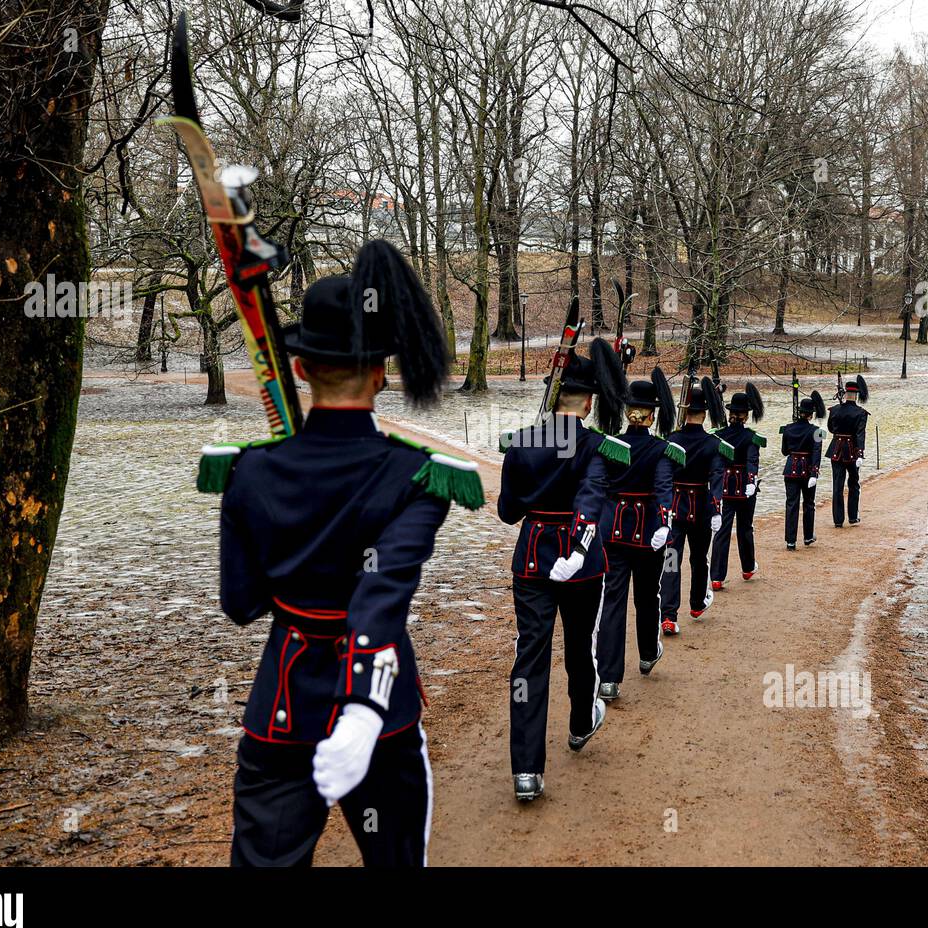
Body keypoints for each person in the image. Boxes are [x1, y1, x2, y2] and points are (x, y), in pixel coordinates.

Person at [218, 240, 483, 867]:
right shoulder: (415, 475)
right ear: (381, 372)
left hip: (283, 706)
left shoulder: (250, 473)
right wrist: (363, 709)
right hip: (381, 712)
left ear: (302, 366)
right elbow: (380, 597)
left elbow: (242, 603)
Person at [497, 338, 628, 802]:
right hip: (582, 564)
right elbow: (592, 499)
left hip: (532, 559)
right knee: (579, 647)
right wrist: (577, 546)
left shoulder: (521, 443)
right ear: (590, 403)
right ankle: (579, 722)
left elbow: (507, 512)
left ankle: (526, 770)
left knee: (529, 658)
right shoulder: (597, 447)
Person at [594, 367, 681, 702]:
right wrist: (663, 524)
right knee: (647, 596)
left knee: (613, 603)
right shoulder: (660, 450)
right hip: (647, 534)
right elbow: (663, 488)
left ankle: (609, 679)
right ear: (652, 414)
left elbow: (599, 488)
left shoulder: (609, 446)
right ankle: (647, 654)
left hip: (613, 532)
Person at [659, 377, 726, 633]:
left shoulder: (671, 439)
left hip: (674, 506)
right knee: (699, 558)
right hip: (701, 507)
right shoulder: (713, 444)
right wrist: (717, 508)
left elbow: (663, 476)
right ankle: (697, 603)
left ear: (684, 411)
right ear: (705, 414)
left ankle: (668, 614)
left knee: (672, 560)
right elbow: (716, 478)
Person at [710, 382, 765, 588]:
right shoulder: (751, 437)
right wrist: (751, 481)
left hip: (723, 487)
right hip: (744, 489)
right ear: (746, 415)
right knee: (745, 529)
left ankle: (716, 577)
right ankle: (748, 567)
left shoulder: (719, 435)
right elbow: (752, 460)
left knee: (722, 532)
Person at [781, 390, 826, 550]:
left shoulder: (787, 429)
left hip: (790, 468)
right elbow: (817, 453)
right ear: (811, 415)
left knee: (791, 504)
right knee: (809, 504)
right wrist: (814, 472)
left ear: (800, 412)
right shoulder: (817, 431)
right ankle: (807, 537)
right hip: (807, 471)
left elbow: (784, 451)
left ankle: (790, 541)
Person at [826, 375, 869, 529]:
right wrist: (860, 454)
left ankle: (838, 520)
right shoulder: (861, 413)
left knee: (837, 485)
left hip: (836, 449)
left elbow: (831, 429)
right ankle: (852, 516)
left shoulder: (834, 410)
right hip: (852, 451)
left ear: (845, 394)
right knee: (853, 484)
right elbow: (860, 434)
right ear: (856, 395)